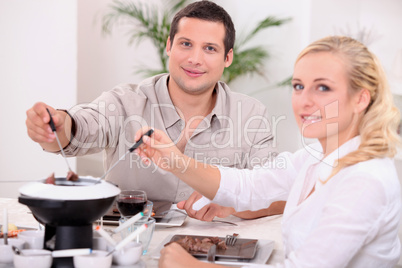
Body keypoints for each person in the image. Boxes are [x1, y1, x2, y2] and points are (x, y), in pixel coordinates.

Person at [135, 36, 402, 267]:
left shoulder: (366, 179)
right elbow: (249, 185)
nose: (304, 101)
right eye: (298, 86)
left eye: (323, 88)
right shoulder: (315, 156)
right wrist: (174, 160)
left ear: (361, 99)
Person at [25, 1, 285, 220]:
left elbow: (279, 195)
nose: (195, 58)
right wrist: (57, 124)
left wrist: (233, 205)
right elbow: (79, 129)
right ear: (169, 45)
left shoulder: (251, 114)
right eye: (185, 44)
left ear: (227, 58)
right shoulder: (126, 101)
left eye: (209, 48)